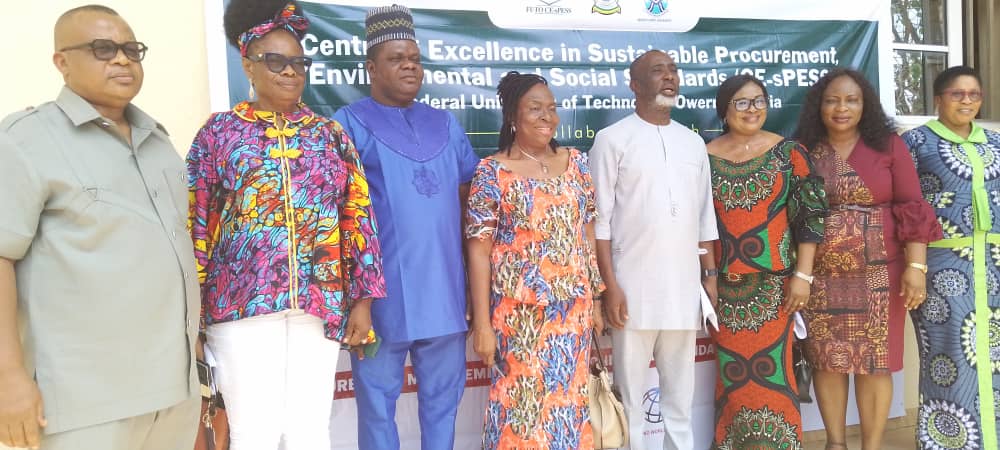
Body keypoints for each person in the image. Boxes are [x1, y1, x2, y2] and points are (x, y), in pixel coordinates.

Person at [186, 1, 386, 448]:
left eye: (299, 62)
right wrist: (193, 315)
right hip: (242, 306)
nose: (290, 72)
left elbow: (358, 219)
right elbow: (197, 224)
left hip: (318, 305)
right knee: (253, 431)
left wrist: (363, 300)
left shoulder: (329, 135)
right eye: (275, 61)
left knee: (310, 430)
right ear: (248, 65)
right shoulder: (219, 134)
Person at [0, 5, 200, 450]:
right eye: (103, 48)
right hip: (84, 404)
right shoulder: (24, 141)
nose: (122, 60)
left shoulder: (159, 143)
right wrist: (8, 378)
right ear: (62, 61)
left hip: (173, 397)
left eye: (132, 49)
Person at [331, 5, 480, 450]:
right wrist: (357, 298)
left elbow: (468, 202)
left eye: (414, 58)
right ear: (371, 68)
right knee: (377, 408)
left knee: (443, 405)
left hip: (445, 297)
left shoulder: (445, 123)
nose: (410, 65)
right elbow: (339, 216)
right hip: (379, 302)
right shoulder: (348, 124)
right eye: (397, 59)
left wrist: (473, 290)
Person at [793, 68, 941, 450]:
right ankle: (835, 443)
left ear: (866, 105)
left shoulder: (888, 145)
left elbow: (912, 205)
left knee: (875, 361)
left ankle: (871, 446)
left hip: (881, 274)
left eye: (852, 100)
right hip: (820, 275)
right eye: (832, 100)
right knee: (828, 359)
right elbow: (793, 213)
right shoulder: (804, 147)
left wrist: (917, 267)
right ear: (818, 106)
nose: (842, 108)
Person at [466, 71, 604, 450]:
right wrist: (482, 323)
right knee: (521, 415)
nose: (548, 117)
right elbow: (478, 250)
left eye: (552, 109)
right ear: (513, 117)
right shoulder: (491, 172)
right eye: (535, 109)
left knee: (568, 409)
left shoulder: (576, 163)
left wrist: (595, 299)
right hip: (519, 321)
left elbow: (586, 232)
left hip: (572, 315)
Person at [588, 50, 718, 450]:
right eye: (657, 71)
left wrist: (710, 279)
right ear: (635, 85)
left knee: (680, 397)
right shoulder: (612, 141)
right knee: (630, 397)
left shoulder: (693, 143)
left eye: (674, 71)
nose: (669, 78)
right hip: (632, 291)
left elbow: (704, 217)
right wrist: (610, 287)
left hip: (683, 290)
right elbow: (599, 223)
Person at [707, 74, 828, 449]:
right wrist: (708, 276)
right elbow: (699, 224)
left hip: (776, 288)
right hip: (724, 288)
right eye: (742, 102)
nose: (752, 109)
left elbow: (811, 218)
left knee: (776, 376)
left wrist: (803, 276)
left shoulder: (788, 153)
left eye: (759, 100)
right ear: (725, 110)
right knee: (733, 379)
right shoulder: (704, 156)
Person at [903, 65, 1000, 450]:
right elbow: (907, 207)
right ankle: (947, 440)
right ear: (939, 99)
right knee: (948, 351)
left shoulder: (994, 143)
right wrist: (915, 265)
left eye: (973, 94)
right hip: (941, 266)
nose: (966, 101)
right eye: (957, 94)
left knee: (992, 351)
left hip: (993, 264)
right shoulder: (915, 142)